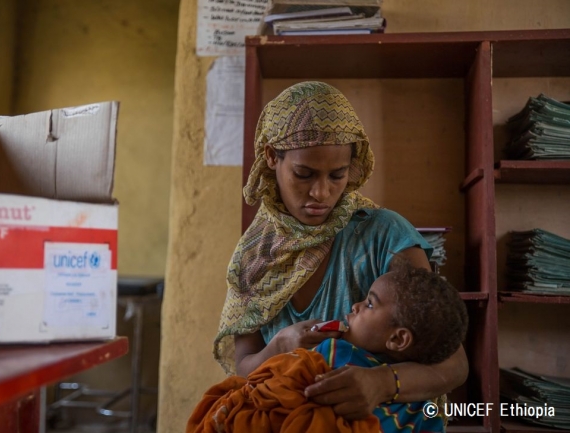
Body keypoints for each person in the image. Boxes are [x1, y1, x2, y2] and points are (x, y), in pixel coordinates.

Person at [213, 81, 468, 420]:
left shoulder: (384, 236)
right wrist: (279, 347)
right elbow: (242, 372)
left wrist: (381, 383)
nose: (321, 192)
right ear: (272, 157)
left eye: (338, 175)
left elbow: (453, 364)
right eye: (304, 174)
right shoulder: (255, 259)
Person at [190, 263, 468, 432]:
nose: (356, 306)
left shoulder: (335, 353)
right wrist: (282, 343)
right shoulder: (422, 407)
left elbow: (265, 389)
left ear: (397, 340)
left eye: (369, 304)